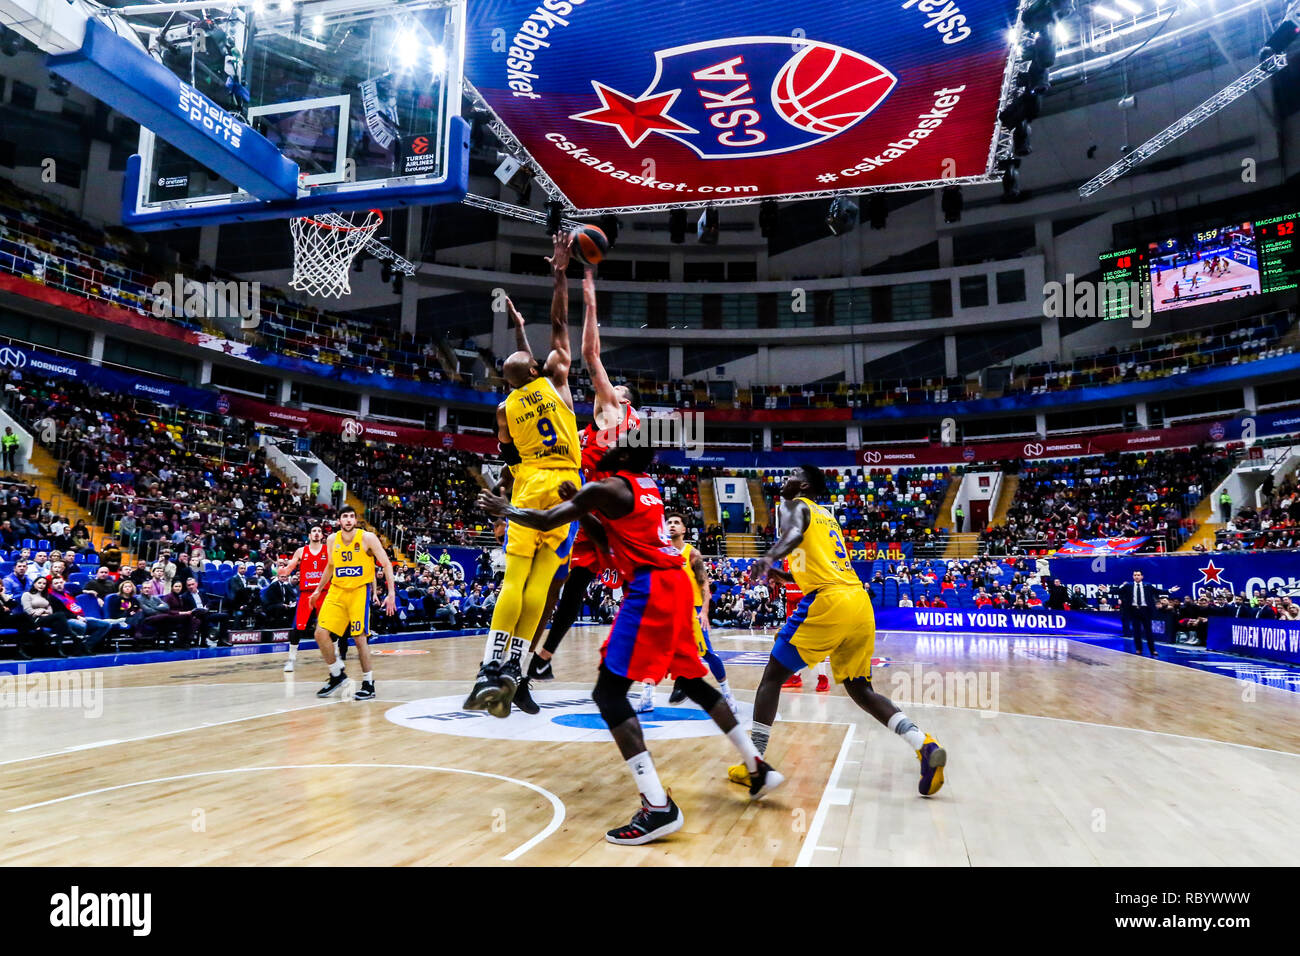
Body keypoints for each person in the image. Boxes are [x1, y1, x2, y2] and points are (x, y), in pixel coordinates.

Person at [478, 436, 784, 844]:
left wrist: (506, 509)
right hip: (674, 585)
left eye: (613, 444)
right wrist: (586, 509)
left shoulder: (608, 487)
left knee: (608, 694)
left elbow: (549, 519)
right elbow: (608, 540)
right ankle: (757, 766)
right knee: (692, 681)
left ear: (621, 456)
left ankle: (657, 807)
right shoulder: (647, 487)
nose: (603, 447)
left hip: (652, 587)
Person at [727, 465, 947, 797]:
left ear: (802, 485)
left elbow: (793, 537)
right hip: (858, 602)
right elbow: (821, 565)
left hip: (829, 601)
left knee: (772, 676)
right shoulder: (827, 517)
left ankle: (753, 763)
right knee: (862, 691)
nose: (781, 479)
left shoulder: (794, 506)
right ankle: (924, 744)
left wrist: (768, 559)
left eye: (789, 475)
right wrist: (784, 578)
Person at [463, 231, 583, 717]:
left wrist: (515, 333)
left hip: (530, 483)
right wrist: (559, 272)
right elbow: (559, 321)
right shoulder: (556, 381)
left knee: (514, 579)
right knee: (542, 583)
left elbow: (510, 458)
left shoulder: (502, 409)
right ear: (536, 367)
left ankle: (492, 667)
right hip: (568, 486)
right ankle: (517, 666)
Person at [526, 263, 641, 701]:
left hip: (604, 506)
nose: (606, 390)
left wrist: (591, 301)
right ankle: (544, 657)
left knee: (572, 585)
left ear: (620, 399)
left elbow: (592, 356)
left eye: (614, 389)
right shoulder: (599, 431)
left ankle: (639, 666)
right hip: (607, 507)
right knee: (576, 585)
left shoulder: (613, 414)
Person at [310, 506, 398, 701]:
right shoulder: (332, 540)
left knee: (359, 638)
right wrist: (317, 589)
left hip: (359, 591)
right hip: (337, 590)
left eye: (351, 516)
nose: (348, 520)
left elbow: (386, 563)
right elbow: (330, 567)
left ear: (355, 520)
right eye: (344, 517)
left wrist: (391, 593)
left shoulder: (367, 538)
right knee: (320, 633)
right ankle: (336, 675)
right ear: (339, 521)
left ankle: (368, 683)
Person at [664, 511, 739, 716]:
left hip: (692, 610)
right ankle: (648, 695)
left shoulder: (692, 553)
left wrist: (704, 611)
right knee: (660, 651)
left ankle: (727, 694)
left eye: (676, 523)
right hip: (670, 610)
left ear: (684, 529)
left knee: (706, 652)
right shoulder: (662, 552)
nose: (672, 525)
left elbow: (704, 583)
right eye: (669, 522)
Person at [281, 525, 331, 672]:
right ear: (309, 535)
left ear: (322, 535)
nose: (316, 533)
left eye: (319, 531)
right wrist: (284, 570)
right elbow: (290, 567)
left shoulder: (328, 550)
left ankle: (335, 656)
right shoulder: (301, 551)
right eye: (314, 531)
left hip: (324, 592)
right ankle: (291, 660)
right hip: (306, 594)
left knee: (329, 627)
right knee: (298, 627)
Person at [1115, 569, 1177, 657]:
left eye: (1138, 575)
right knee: (1136, 632)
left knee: (1148, 631)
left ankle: (1153, 650)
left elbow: (1158, 591)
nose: (1136, 576)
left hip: (1146, 611)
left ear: (1142, 576)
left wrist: (1170, 590)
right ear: (1133, 577)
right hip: (1134, 610)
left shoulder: (1147, 585)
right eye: (1135, 575)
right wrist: (1106, 590)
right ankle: (1138, 649)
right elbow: (1118, 591)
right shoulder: (1128, 586)